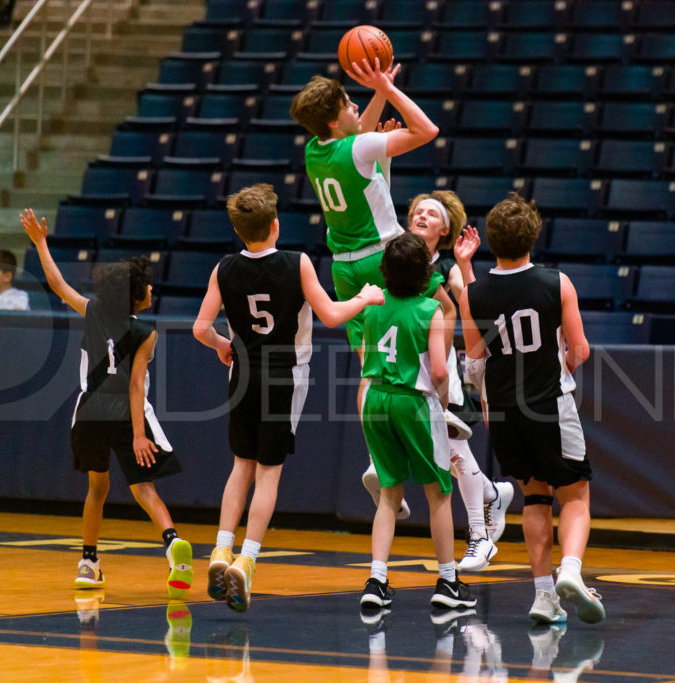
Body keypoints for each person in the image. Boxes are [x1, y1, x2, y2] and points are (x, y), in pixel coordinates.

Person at [192, 183, 384, 613]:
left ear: (240, 231)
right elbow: (332, 316)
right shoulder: (296, 263)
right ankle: (247, 560)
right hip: (284, 376)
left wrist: (223, 345)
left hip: (241, 372)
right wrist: (365, 296)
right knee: (269, 474)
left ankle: (221, 549)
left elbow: (200, 329)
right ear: (275, 225)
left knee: (240, 466)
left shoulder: (223, 267)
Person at [290, 58, 440, 519]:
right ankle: (445, 400)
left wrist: (376, 93)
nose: (357, 105)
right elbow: (426, 130)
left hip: (344, 268)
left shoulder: (317, 150)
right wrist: (388, 88)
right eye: (349, 102)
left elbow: (358, 137)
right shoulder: (357, 149)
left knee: (369, 368)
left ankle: (377, 459)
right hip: (383, 254)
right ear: (336, 119)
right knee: (441, 307)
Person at [20, 209, 193, 598]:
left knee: (97, 489)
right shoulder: (147, 333)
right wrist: (137, 436)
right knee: (145, 489)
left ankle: (89, 562)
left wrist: (41, 243)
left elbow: (58, 284)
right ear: (137, 296)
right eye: (148, 286)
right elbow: (135, 388)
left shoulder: (94, 311)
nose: (154, 290)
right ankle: (172, 545)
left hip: (89, 414)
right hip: (125, 414)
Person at [457, 193, 606, 625]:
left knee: (535, 495)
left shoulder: (475, 294)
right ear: (534, 236)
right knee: (576, 493)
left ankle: (544, 596)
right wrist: (565, 361)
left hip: (503, 410)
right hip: (549, 404)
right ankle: (573, 572)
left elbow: (474, 358)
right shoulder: (556, 283)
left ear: (491, 240)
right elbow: (580, 349)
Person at [358, 232, 476, 615]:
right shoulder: (431, 310)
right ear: (426, 274)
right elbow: (440, 371)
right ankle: (447, 581)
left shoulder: (372, 306)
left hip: (376, 399)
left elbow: (365, 356)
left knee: (389, 494)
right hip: (414, 402)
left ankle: (376, 580)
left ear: (384, 270)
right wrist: (440, 403)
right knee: (438, 494)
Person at [406, 190, 515, 571]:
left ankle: (480, 539)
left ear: (446, 228)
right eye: (417, 211)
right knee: (444, 451)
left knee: (451, 446)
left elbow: (474, 304)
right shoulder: (396, 255)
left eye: (431, 214)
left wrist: (466, 265)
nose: (421, 216)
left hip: (438, 365)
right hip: (403, 363)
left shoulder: (446, 267)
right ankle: (491, 492)